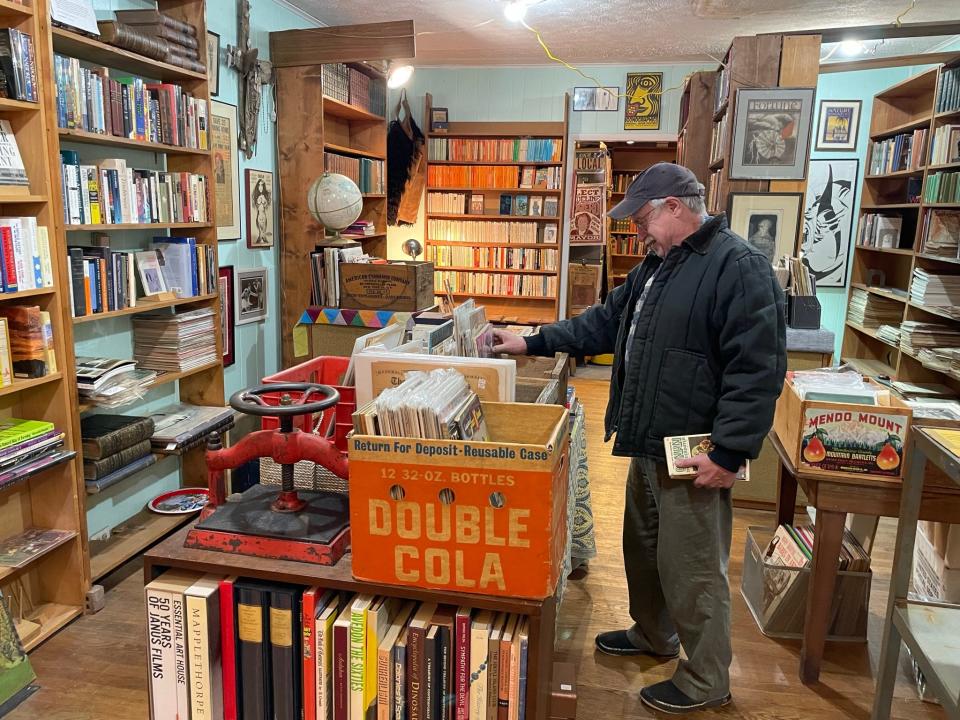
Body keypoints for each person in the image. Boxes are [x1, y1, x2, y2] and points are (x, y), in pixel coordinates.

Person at [493, 163, 786, 714]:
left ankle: (706, 681)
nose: (639, 230)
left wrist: (729, 451)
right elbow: (601, 324)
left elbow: (758, 369)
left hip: (695, 451)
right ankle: (654, 635)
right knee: (645, 551)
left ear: (675, 206)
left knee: (693, 568)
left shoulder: (738, 266)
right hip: (648, 439)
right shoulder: (655, 267)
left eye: (645, 217)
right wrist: (531, 341)